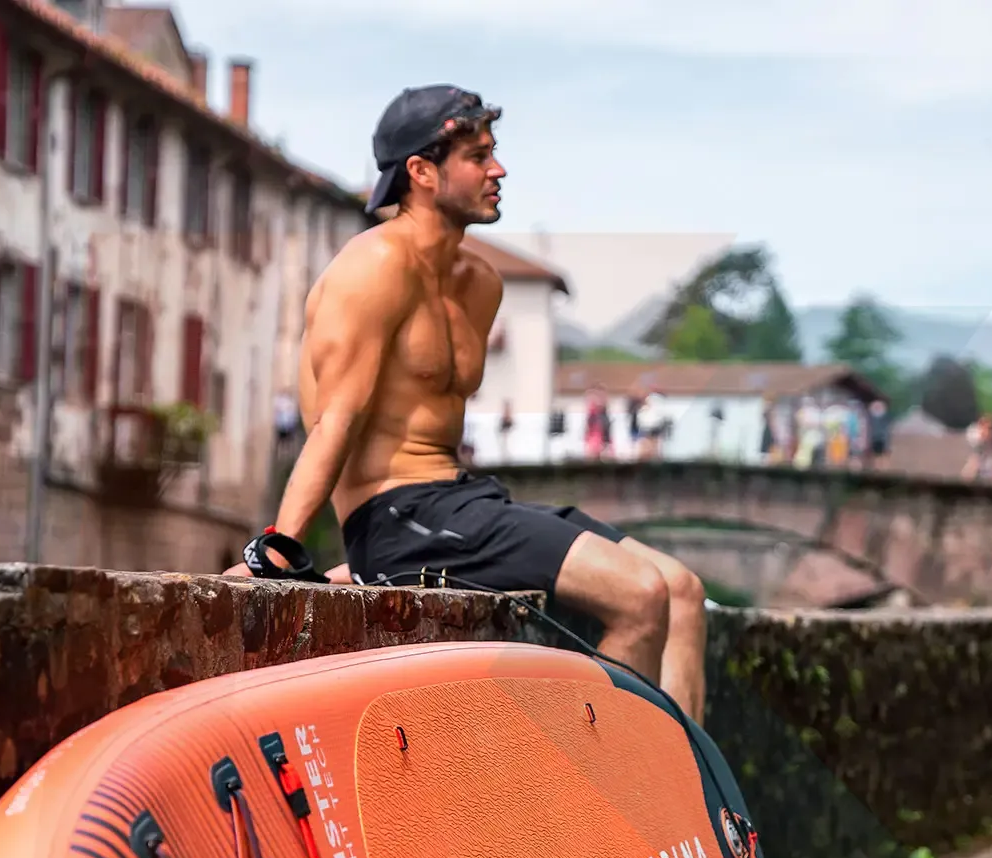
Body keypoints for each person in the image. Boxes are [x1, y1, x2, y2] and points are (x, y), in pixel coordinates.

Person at [226, 86, 709, 721]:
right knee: (638, 593)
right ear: (422, 172)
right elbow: (336, 419)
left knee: (682, 591)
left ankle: (683, 779)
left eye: (493, 153)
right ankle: (599, 785)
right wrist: (278, 547)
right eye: (478, 157)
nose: (498, 170)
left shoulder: (480, 285)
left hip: (464, 502)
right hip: (396, 514)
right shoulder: (372, 268)